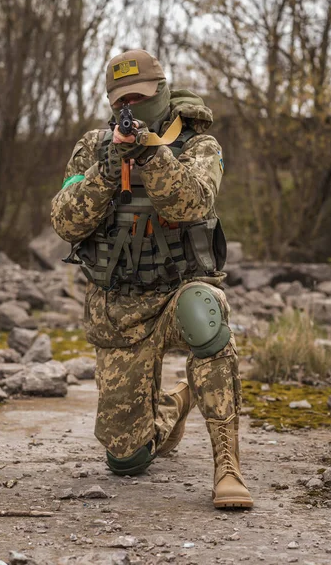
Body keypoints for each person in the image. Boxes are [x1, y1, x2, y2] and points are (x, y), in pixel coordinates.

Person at [51, 49, 253, 509]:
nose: (131, 109)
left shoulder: (201, 146)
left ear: (162, 93)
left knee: (205, 315)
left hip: (178, 293)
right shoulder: (92, 147)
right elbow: (65, 222)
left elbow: (192, 205)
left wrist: (152, 154)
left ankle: (228, 465)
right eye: (121, 100)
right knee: (127, 461)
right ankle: (173, 405)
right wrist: (107, 170)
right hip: (118, 311)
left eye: (140, 97)